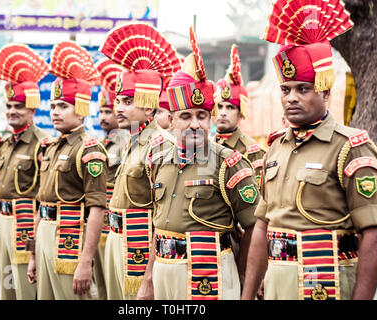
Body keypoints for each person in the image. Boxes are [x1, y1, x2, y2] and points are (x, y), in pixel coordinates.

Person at [242, 0, 377, 300]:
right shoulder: (275, 148)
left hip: (326, 284)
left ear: (324, 91)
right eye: (285, 89)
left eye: (302, 89)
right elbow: (261, 226)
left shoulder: (350, 147)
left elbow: (374, 233)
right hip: (279, 285)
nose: (291, 98)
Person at [138, 27, 259, 300]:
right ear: (171, 120)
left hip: (211, 274)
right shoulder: (158, 161)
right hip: (164, 273)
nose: (195, 124)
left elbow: (254, 227)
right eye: (186, 116)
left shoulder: (229, 162)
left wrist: (240, 276)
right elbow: (158, 227)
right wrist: (148, 280)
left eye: (202, 116)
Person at [100, 23, 181, 299]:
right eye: (118, 101)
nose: (118, 108)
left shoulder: (162, 146)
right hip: (116, 240)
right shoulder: (131, 141)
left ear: (148, 105)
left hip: (140, 248)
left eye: (127, 101)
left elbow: (164, 218)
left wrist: (149, 277)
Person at [26, 41, 108, 300]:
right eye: (52, 107)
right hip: (45, 234)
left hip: (69, 238)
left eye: (63, 106)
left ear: (81, 108)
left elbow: (96, 208)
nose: (55, 113)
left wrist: (85, 262)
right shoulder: (49, 147)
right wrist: (33, 254)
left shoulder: (89, 150)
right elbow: (41, 203)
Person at [0, 44, 49, 300]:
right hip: (4, 221)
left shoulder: (42, 143)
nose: (12, 111)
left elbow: (45, 193)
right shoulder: (6, 142)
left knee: (26, 290)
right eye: (9, 106)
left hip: (27, 222)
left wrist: (36, 237)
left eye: (19, 106)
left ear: (33, 110)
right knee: (7, 288)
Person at [93, 57, 129, 300]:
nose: (105, 116)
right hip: (100, 221)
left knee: (114, 286)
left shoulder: (126, 141)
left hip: (116, 222)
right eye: (102, 111)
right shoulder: (101, 143)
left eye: (109, 111)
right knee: (103, 285)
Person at [214, 44, 265, 189]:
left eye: (230, 107)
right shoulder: (205, 146)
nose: (223, 112)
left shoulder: (252, 151)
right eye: (219, 106)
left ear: (240, 114)